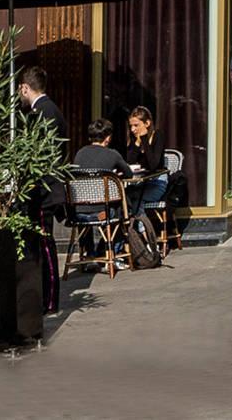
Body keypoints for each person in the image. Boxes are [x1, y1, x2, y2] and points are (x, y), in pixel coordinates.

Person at [70, 119, 157, 269]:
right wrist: (113, 175)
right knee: (124, 212)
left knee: (87, 220)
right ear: (108, 137)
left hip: (78, 211)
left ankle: (89, 255)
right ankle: (110, 254)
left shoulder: (80, 153)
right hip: (103, 212)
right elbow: (129, 173)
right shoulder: (112, 154)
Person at [16, 66, 66, 312]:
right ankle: (46, 296)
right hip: (46, 187)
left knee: (45, 242)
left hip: (43, 189)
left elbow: (42, 154)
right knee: (43, 241)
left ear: (25, 87)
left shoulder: (43, 112)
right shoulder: (49, 109)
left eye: (20, 89)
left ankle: (49, 299)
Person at [123, 106, 188, 248]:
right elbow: (129, 162)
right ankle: (143, 241)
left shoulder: (158, 136)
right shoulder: (134, 140)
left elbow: (154, 164)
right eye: (131, 126)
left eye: (136, 125)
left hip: (157, 183)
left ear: (147, 123)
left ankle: (145, 242)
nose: (133, 129)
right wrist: (137, 144)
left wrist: (144, 140)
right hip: (140, 183)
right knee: (129, 199)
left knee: (135, 200)